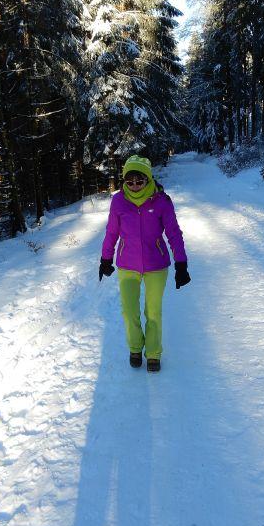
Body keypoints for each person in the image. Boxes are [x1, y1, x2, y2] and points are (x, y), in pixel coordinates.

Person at [99, 155, 191, 372]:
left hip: (156, 264)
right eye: (130, 181)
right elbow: (112, 232)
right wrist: (105, 258)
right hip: (127, 264)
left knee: (153, 312)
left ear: (148, 179)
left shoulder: (162, 201)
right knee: (129, 311)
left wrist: (181, 264)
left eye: (139, 180)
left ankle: (153, 352)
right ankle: (134, 347)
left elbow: (174, 234)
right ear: (124, 181)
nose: (135, 185)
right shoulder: (119, 201)